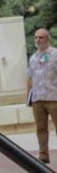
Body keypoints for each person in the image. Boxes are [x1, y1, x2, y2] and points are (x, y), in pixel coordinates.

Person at [27, 28, 57, 164]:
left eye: (41, 37)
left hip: (53, 98)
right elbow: (30, 78)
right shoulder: (33, 58)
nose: (38, 40)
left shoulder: (55, 54)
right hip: (38, 99)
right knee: (40, 129)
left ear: (47, 39)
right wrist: (28, 96)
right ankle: (43, 155)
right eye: (36, 38)